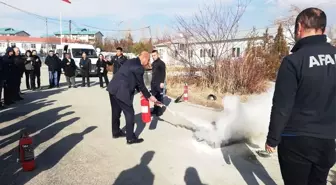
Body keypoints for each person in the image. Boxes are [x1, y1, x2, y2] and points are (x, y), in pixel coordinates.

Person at [265, 7, 336, 185]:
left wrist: (272, 139)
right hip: (327, 141)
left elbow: (282, 105)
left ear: (299, 27)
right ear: (323, 30)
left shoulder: (293, 61)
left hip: (295, 141)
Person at [107, 51, 158, 145]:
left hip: (113, 88)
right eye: (148, 60)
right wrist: (150, 96)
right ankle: (130, 138)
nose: (148, 63)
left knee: (115, 112)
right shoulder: (139, 68)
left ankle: (116, 132)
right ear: (144, 58)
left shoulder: (130, 61)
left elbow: (134, 81)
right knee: (130, 113)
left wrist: (143, 93)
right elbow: (141, 85)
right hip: (122, 91)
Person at [150, 50, 166, 116]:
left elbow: (163, 73)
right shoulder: (153, 63)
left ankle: (159, 111)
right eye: (152, 55)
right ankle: (155, 110)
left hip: (159, 83)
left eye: (155, 55)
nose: (153, 56)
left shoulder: (161, 63)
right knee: (155, 97)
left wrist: (162, 82)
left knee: (159, 97)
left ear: (158, 55)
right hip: (153, 83)